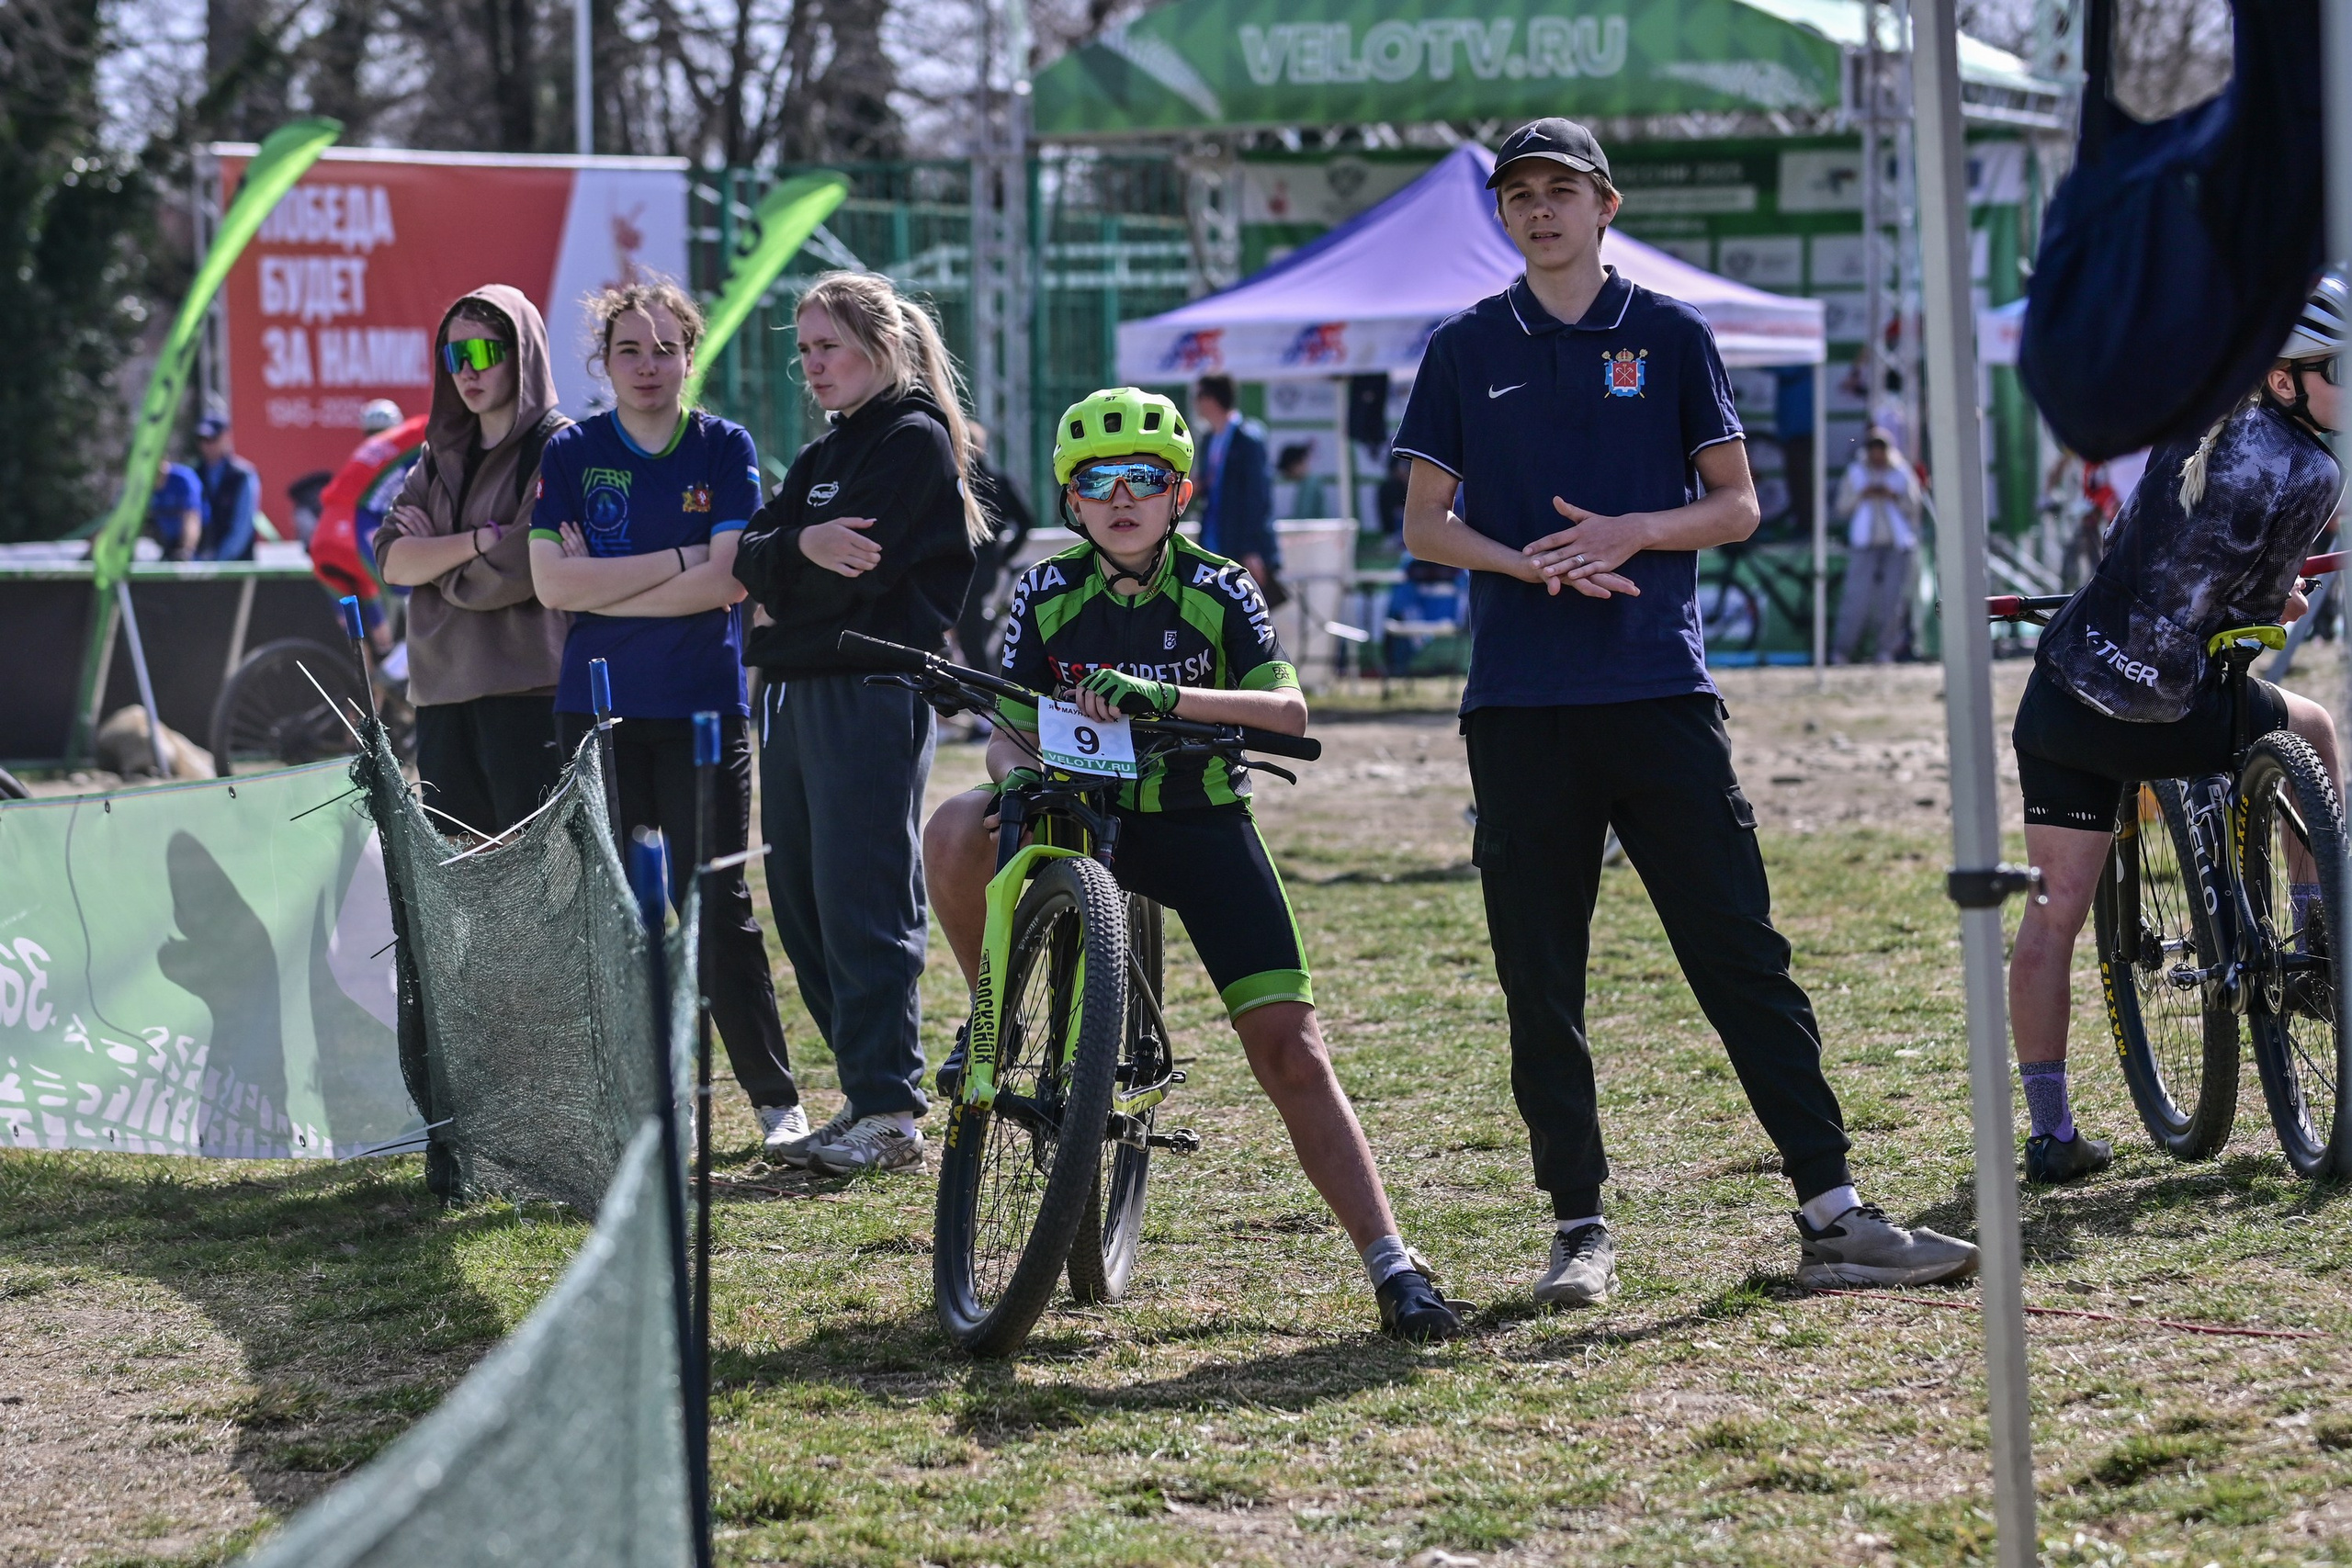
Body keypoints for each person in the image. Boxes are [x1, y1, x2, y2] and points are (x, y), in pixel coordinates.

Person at [1391, 118, 1980, 1303]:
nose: (1541, 210)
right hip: (1519, 705)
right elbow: (1422, 526)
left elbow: (1739, 505)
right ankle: (1578, 1227)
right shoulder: (1461, 348)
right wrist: (1533, 562)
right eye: (1519, 195)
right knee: (1538, 976)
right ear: (1502, 215)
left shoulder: (1669, 334)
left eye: (1563, 190)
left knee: (1739, 954)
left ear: (1607, 206)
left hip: (1660, 689)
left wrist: (1630, 531)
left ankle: (1833, 1208)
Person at [923, 387, 1463, 1342]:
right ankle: (993, 1016)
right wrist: (1017, 777)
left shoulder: (1218, 587)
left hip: (1200, 821)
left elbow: (1288, 714)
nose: (1121, 496)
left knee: (1292, 1052)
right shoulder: (1048, 592)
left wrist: (1168, 703)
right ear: (1070, 501)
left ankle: (1394, 1265)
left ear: (1179, 494)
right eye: (1096, 480)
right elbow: (1007, 732)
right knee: (959, 823)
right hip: (1080, 815)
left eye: (1146, 478)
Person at [2006, 273, 2347, 1184]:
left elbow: (2134, 549)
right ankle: (2318, 937)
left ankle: (2050, 1132)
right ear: (2284, 380)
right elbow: (2262, 609)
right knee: (2308, 728)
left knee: (2049, 920)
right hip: (2171, 715)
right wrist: (2289, 594)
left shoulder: (2187, 425)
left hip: (2064, 700)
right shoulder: (2314, 470)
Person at [529, 277, 803, 1152]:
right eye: (628, 350)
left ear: (690, 356)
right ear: (603, 365)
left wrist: (616, 588)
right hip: (597, 713)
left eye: (664, 348)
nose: (647, 365)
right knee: (613, 909)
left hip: (701, 711)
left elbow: (730, 579)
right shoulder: (572, 454)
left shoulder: (724, 446)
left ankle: (773, 1101)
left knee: (715, 900)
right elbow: (551, 585)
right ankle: (641, 1106)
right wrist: (678, 564)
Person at [730, 271, 980, 1175]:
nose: (813, 365)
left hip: (866, 689)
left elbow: (856, 579)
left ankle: (890, 1109)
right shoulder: (820, 457)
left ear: (880, 347)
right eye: (804, 350)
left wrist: (785, 572)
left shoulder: (910, 440)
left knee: (862, 896)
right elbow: (748, 557)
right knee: (801, 902)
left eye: (827, 346)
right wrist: (797, 548)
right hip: (793, 689)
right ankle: (863, 1094)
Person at [375, 288, 571, 838]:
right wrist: (477, 541)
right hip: (439, 695)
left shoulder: (558, 447)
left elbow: (519, 569)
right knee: (461, 883)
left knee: (540, 883)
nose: (468, 371)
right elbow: (391, 558)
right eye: (455, 357)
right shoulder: (437, 454)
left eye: (485, 353)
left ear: (524, 356)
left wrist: (434, 561)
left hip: (528, 694)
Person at [314, 400, 427, 656]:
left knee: (365, 645)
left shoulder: (364, 455)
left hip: (324, 538)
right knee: (425, 591)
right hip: (355, 533)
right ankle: (398, 670)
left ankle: (377, 687)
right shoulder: (409, 439)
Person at [1830, 426, 1921, 664]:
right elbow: (1842, 507)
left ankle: (1885, 650)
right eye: (1873, 448)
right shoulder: (1856, 472)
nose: (1877, 454)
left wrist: (1893, 496)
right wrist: (1863, 494)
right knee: (1856, 599)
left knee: (1892, 600)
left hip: (1896, 544)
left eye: (1881, 448)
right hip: (1864, 543)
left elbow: (1914, 508)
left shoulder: (1902, 472)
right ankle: (1843, 650)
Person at [951, 420, 1035, 674]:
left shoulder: (954, 482)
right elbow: (1026, 521)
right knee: (971, 629)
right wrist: (1001, 556)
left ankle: (985, 692)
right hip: (985, 565)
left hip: (962, 567)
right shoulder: (1000, 481)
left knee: (969, 633)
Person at [1192, 374, 1279, 587]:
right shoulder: (1209, 439)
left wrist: (1252, 548)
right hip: (1214, 538)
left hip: (1241, 544)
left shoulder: (1248, 438)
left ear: (1211, 398)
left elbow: (1257, 497)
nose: (1196, 404)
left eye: (1199, 396)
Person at [193, 413, 262, 561]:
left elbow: (243, 527)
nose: (206, 445)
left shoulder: (243, 475)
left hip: (236, 567)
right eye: (202, 440)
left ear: (226, 437)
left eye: (212, 439)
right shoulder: (194, 473)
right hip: (200, 566)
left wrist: (219, 560)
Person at [149, 460, 206, 560]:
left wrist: (186, 550)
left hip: (197, 542)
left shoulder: (182, 478)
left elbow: (192, 517)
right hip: (166, 542)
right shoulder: (142, 482)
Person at [1275, 442, 1328, 519]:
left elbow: (1302, 517)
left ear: (1294, 465)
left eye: (1287, 470)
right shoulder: (1307, 482)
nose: (1288, 476)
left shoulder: (1310, 483)